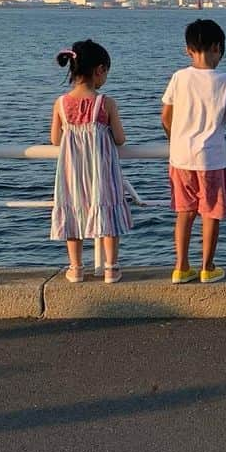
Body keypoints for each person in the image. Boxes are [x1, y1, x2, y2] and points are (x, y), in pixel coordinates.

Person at [161, 18, 226, 285]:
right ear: (217, 48)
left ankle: (180, 267)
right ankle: (207, 267)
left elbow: (166, 116)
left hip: (180, 158)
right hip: (211, 159)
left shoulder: (179, 77)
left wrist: (174, 139)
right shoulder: (225, 80)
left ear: (188, 50)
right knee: (210, 213)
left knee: (184, 213)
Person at [50, 39, 132, 283]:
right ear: (99, 70)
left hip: (72, 170)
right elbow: (120, 138)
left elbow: (55, 139)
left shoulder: (61, 103)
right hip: (101, 170)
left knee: (72, 212)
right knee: (107, 212)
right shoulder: (105, 103)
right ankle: (111, 267)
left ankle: (75, 268)